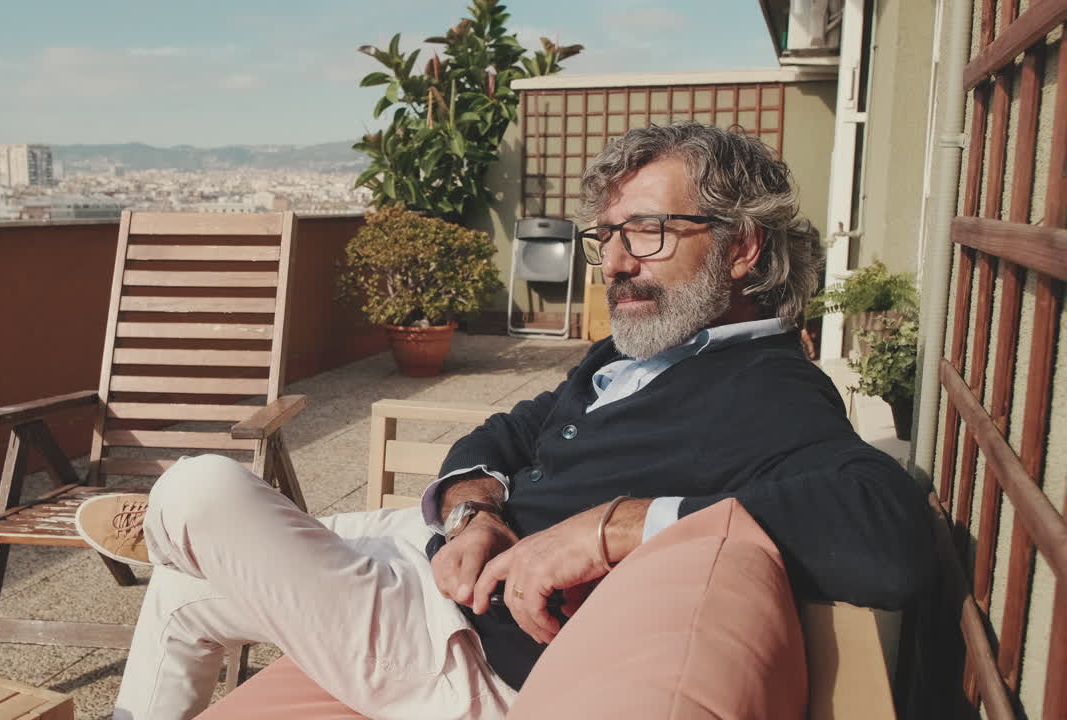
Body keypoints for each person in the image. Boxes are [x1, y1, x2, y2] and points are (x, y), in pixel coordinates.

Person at [75, 123, 933, 720]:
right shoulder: (634, 357)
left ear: (742, 247)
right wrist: (474, 512)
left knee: (198, 487)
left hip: (463, 656)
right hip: (444, 571)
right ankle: (212, 551)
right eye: (609, 237)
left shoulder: (766, 387)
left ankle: (183, 529)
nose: (619, 262)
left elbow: (890, 534)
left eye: (650, 232)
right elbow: (509, 431)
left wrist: (615, 528)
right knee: (188, 592)